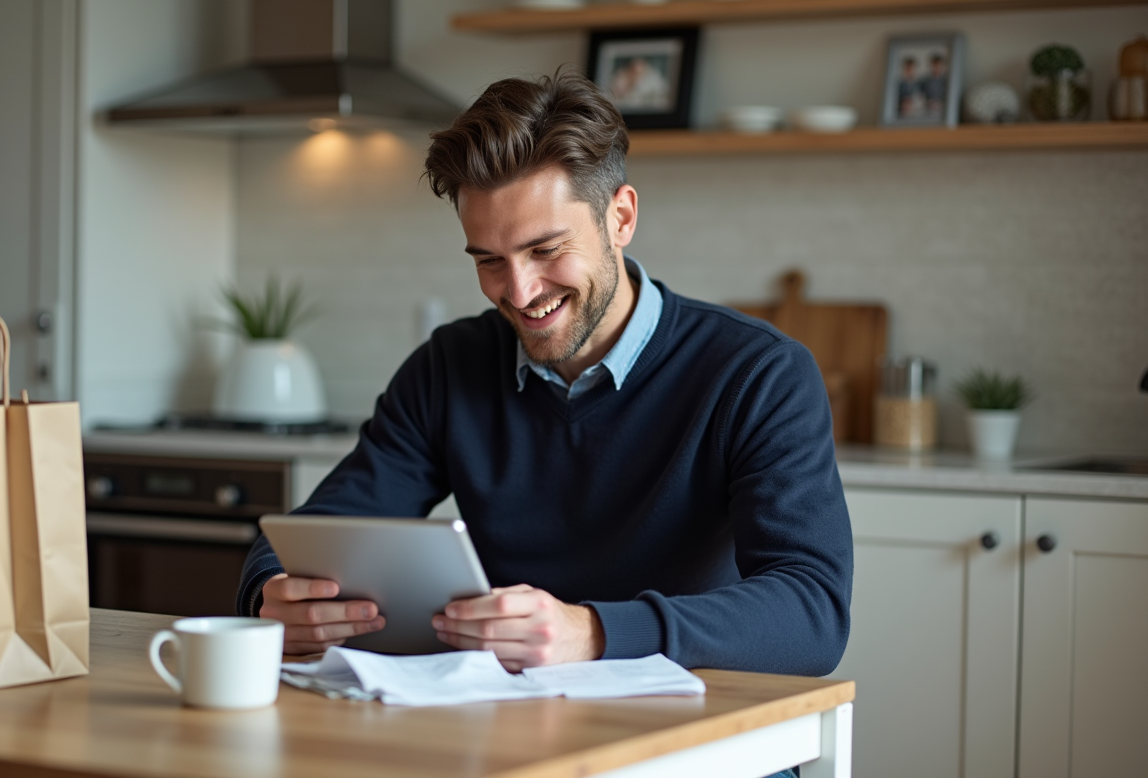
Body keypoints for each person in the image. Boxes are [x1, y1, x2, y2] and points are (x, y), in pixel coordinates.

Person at [236, 71, 853, 680]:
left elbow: (812, 613)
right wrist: (273, 594)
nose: (521, 291)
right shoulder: (448, 367)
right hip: (508, 729)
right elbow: (322, 529)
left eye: (546, 249)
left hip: (699, 731)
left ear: (621, 217)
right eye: (489, 261)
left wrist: (592, 632)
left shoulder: (757, 373)